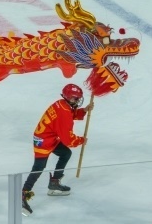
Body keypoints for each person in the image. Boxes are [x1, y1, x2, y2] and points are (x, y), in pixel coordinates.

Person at [21, 84, 91, 217]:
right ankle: (23, 194)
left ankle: (54, 183)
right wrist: (81, 140)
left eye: (78, 98)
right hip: (43, 141)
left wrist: (84, 110)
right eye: (75, 98)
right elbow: (68, 140)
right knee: (39, 168)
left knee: (65, 153)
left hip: (49, 137)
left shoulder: (62, 104)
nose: (78, 101)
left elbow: (70, 114)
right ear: (68, 97)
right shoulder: (64, 112)